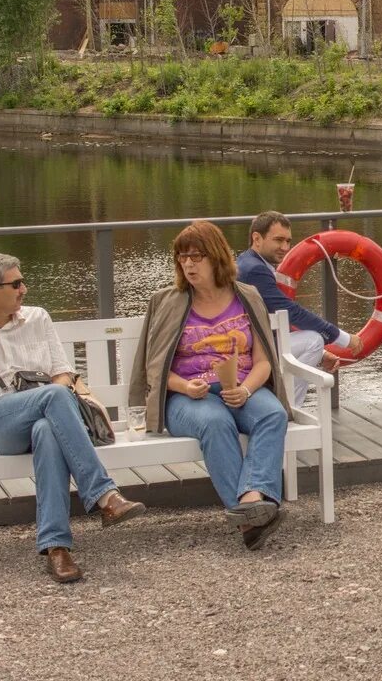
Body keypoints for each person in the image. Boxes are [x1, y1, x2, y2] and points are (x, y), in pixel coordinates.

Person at [0, 252, 145, 582]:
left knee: (47, 429)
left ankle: (56, 548)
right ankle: (104, 495)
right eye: (16, 283)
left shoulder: (37, 318)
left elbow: (62, 373)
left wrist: (49, 399)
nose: (24, 289)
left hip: (44, 416)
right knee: (54, 397)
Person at [131, 220, 291, 550]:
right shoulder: (168, 302)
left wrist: (246, 389)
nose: (187, 264)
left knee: (272, 415)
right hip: (187, 397)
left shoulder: (247, 296)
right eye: (181, 257)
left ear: (216, 256)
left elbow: (264, 362)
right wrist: (186, 387)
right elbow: (155, 370)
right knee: (215, 422)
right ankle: (253, 515)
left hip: (241, 389)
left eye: (196, 256)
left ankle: (250, 498)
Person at [237, 211, 362, 407]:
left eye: (288, 241)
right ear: (257, 238)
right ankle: (288, 407)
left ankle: (286, 405)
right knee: (314, 340)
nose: (285, 247)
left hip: (255, 340)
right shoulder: (256, 271)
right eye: (278, 240)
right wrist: (342, 337)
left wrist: (321, 355)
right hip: (253, 348)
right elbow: (288, 311)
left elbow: (276, 317)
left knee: (315, 344)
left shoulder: (247, 261)